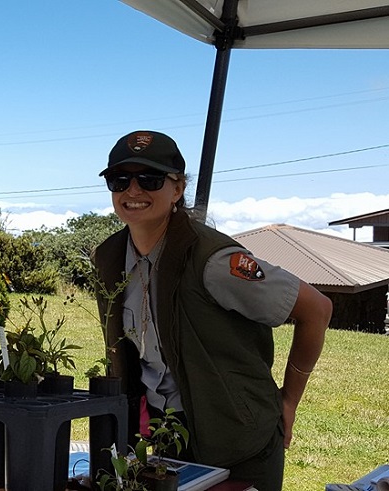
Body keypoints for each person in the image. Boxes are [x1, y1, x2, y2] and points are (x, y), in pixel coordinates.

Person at [90, 130, 332, 491]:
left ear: (178, 188)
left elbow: (317, 309)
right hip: (168, 441)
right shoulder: (108, 259)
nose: (133, 191)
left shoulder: (214, 262)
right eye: (120, 179)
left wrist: (289, 399)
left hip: (239, 443)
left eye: (150, 179)